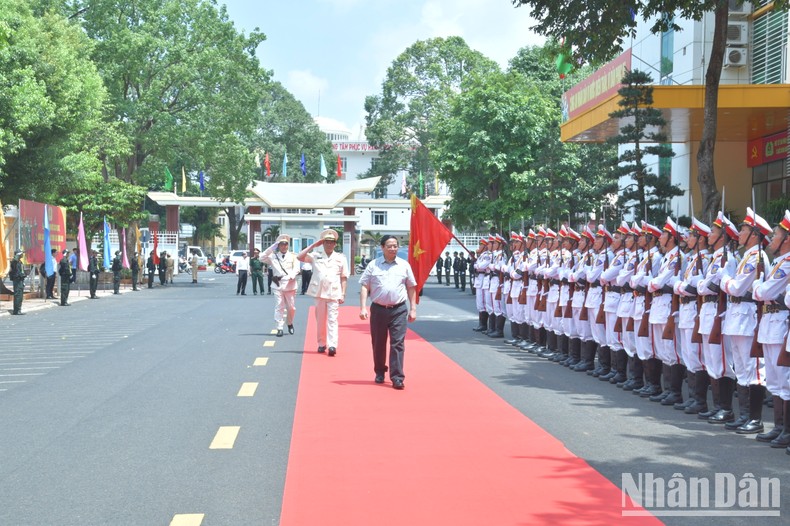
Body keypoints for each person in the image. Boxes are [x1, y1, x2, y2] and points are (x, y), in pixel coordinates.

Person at [359, 235, 417, 390]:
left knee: (397, 343)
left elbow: (411, 287)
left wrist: (413, 309)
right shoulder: (373, 265)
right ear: (382, 247)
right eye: (390, 246)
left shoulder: (404, 265)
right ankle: (379, 371)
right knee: (378, 343)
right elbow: (365, 286)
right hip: (378, 309)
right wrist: (363, 307)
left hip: (398, 309)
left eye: (395, 246)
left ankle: (397, 377)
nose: (393, 249)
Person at [297, 229, 349, 356]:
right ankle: (321, 343)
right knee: (320, 320)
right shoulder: (316, 255)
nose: (329, 244)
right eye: (326, 242)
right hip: (319, 293)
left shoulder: (341, 258)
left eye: (332, 242)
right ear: (323, 243)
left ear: (335, 244)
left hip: (334, 292)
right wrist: (314, 245)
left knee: (333, 320)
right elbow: (300, 257)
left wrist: (343, 294)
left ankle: (332, 345)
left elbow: (343, 277)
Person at [263, 235, 300, 336]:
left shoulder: (293, 256)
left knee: (291, 307)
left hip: (290, 284)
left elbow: (297, 268)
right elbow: (262, 257)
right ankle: (279, 327)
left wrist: (291, 276)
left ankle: (289, 322)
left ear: (288, 245)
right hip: (277, 283)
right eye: (281, 244)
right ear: (278, 246)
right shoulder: (273, 256)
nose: (283, 246)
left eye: (285, 244)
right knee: (279, 305)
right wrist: (272, 247)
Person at [9, 249, 27, 315]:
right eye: (21, 254)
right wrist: (17, 255)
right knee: (17, 295)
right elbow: (15, 259)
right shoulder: (14, 261)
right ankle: (16, 311)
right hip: (17, 280)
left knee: (20, 295)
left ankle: (19, 309)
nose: (22, 255)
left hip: (20, 280)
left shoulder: (20, 262)